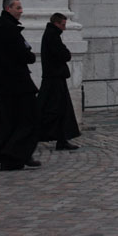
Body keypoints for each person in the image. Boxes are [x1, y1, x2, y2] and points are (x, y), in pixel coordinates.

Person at [0, 0, 40, 171]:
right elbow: (24, 54)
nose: (21, 10)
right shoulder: (8, 28)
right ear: (8, 8)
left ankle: (11, 155)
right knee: (28, 118)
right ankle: (15, 153)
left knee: (8, 121)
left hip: (5, 83)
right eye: (18, 7)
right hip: (16, 83)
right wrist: (30, 56)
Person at [36, 13, 80, 151]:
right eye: (63, 25)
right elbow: (64, 54)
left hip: (54, 78)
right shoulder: (52, 36)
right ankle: (33, 134)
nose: (64, 28)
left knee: (60, 110)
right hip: (53, 79)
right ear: (56, 23)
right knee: (49, 109)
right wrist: (66, 53)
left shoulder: (52, 34)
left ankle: (62, 139)